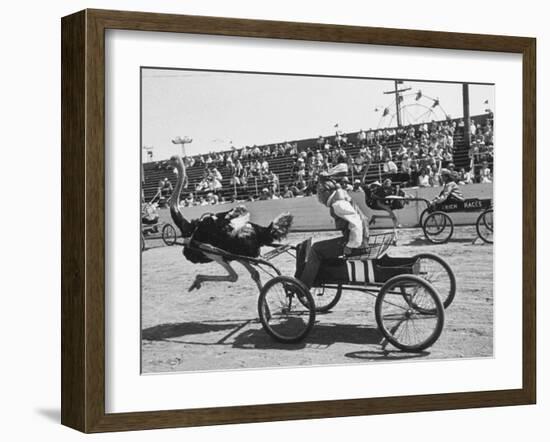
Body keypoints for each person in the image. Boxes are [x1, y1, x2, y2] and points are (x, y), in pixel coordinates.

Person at [296, 177, 370, 290]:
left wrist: (351, 245)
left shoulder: (338, 204)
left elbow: (356, 224)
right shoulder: (340, 198)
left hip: (357, 242)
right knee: (322, 247)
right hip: (358, 239)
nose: (319, 196)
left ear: (327, 192)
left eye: (320, 193)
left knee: (316, 249)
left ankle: (303, 287)